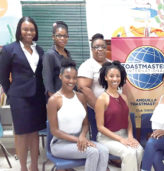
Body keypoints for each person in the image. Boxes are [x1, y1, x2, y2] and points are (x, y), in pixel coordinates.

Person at [0, 16, 46, 171]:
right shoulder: (9, 49)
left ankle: (34, 166)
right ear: (20, 30)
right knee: (21, 133)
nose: (29, 32)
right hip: (19, 98)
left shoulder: (39, 50)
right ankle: (23, 167)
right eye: (25, 29)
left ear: (35, 32)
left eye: (32, 29)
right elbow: (3, 76)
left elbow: (39, 74)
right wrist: (11, 94)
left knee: (34, 132)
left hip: (37, 97)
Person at [47, 58, 109, 171]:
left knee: (104, 150)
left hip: (79, 140)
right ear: (60, 76)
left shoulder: (81, 97)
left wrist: (81, 136)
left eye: (74, 78)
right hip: (60, 144)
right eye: (67, 77)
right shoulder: (54, 100)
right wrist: (78, 140)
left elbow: (86, 124)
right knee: (92, 152)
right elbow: (54, 131)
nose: (71, 81)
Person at [95, 61, 143, 171]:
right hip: (107, 138)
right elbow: (100, 127)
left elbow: (129, 121)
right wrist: (121, 139)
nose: (115, 79)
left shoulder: (124, 97)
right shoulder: (102, 99)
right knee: (129, 152)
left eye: (118, 76)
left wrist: (130, 136)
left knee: (139, 150)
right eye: (111, 76)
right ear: (106, 77)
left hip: (125, 135)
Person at [77, 33, 110, 141]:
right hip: (95, 109)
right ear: (92, 49)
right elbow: (83, 88)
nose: (100, 49)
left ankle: (113, 157)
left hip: (112, 109)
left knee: (112, 136)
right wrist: (100, 108)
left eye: (103, 47)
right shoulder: (87, 65)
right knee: (100, 138)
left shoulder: (111, 64)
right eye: (96, 47)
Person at [42, 21, 71, 98]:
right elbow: (48, 82)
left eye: (65, 36)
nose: (62, 38)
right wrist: (54, 102)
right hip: (57, 98)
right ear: (53, 37)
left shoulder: (68, 54)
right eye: (59, 35)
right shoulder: (49, 55)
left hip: (69, 96)